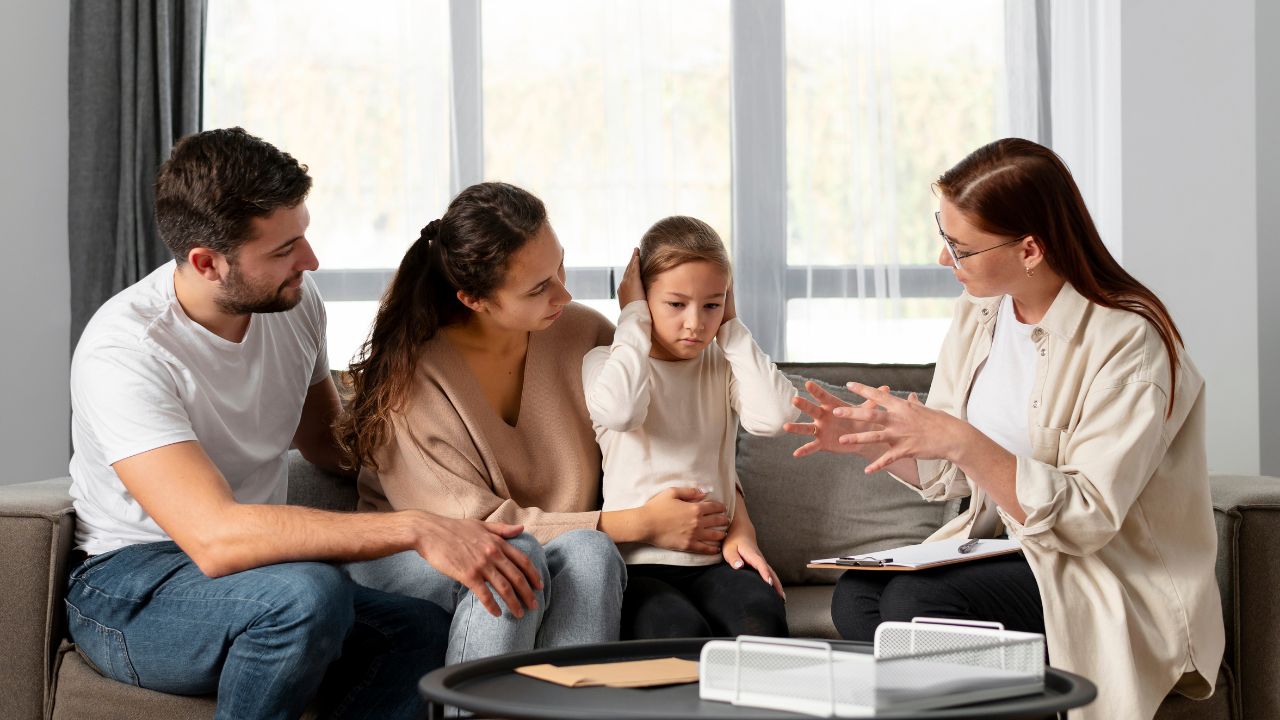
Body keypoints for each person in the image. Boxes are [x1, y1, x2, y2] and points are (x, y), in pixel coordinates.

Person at [65, 128, 541, 720]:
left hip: (264, 574)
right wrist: (418, 527)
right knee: (306, 594)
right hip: (133, 588)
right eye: (284, 249)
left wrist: (451, 458)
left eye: (305, 235)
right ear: (207, 263)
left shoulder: (293, 307)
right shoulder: (126, 350)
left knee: (418, 628)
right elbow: (214, 539)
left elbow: (327, 444)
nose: (310, 261)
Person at [785, 138, 1223, 720]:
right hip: (1014, 551)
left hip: (1100, 572)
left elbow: (1088, 518)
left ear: (1031, 249)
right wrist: (883, 438)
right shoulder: (981, 312)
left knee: (919, 605)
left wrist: (959, 438)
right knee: (859, 596)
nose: (944, 260)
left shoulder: (1128, 344)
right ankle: (1007, 700)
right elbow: (951, 469)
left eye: (958, 246)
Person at [338, 184, 732, 662]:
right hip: (424, 554)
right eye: (538, 287)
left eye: (559, 266)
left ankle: (568, 709)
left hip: (562, 542)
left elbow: (686, 428)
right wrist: (641, 523)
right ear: (475, 299)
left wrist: (741, 521)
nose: (564, 292)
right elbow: (476, 530)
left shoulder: (582, 333)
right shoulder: (413, 379)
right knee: (518, 558)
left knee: (592, 553)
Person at [582, 216, 796, 639]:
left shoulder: (722, 365)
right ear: (643, 299)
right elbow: (622, 413)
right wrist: (632, 319)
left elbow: (777, 418)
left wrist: (732, 330)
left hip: (716, 560)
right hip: (637, 566)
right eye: (676, 304)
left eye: (712, 305)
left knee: (762, 621)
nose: (696, 322)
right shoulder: (605, 364)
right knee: (678, 634)